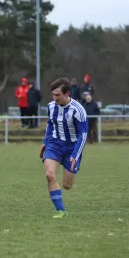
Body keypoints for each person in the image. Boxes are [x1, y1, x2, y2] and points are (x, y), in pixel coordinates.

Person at [39, 77, 88, 218]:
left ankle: (71, 168)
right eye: (53, 95)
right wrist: (45, 142)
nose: (54, 98)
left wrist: (75, 155)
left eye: (58, 95)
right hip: (54, 144)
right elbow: (50, 125)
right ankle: (60, 210)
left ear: (67, 94)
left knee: (67, 185)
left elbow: (83, 135)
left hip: (72, 148)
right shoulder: (51, 107)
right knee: (49, 175)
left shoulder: (78, 110)